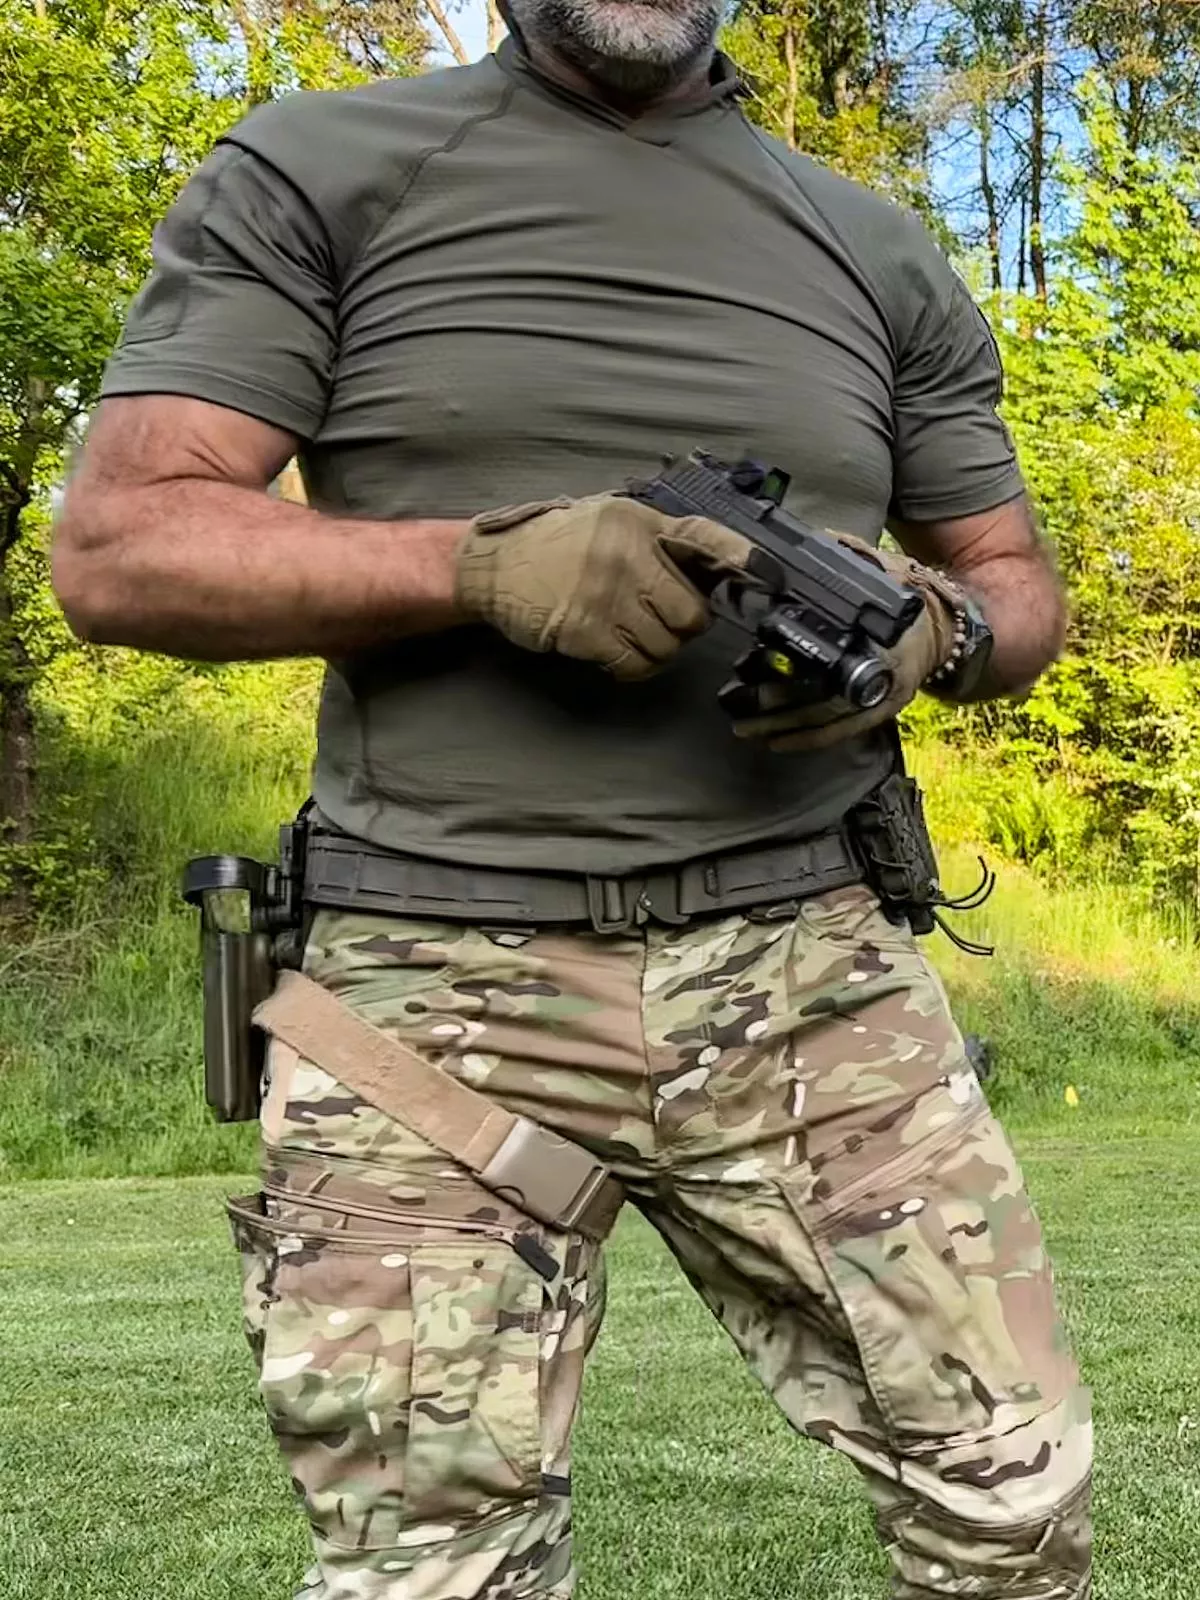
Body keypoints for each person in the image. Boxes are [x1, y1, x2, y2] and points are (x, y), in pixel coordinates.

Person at [50, 0, 1091, 1595]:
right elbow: (122, 549)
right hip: (426, 989)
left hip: (811, 973)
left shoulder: (873, 243)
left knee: (1013, 1509)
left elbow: (1015, 579)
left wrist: (932, 632)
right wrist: (474, 569)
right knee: (430, 1571)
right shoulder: (322, 166)